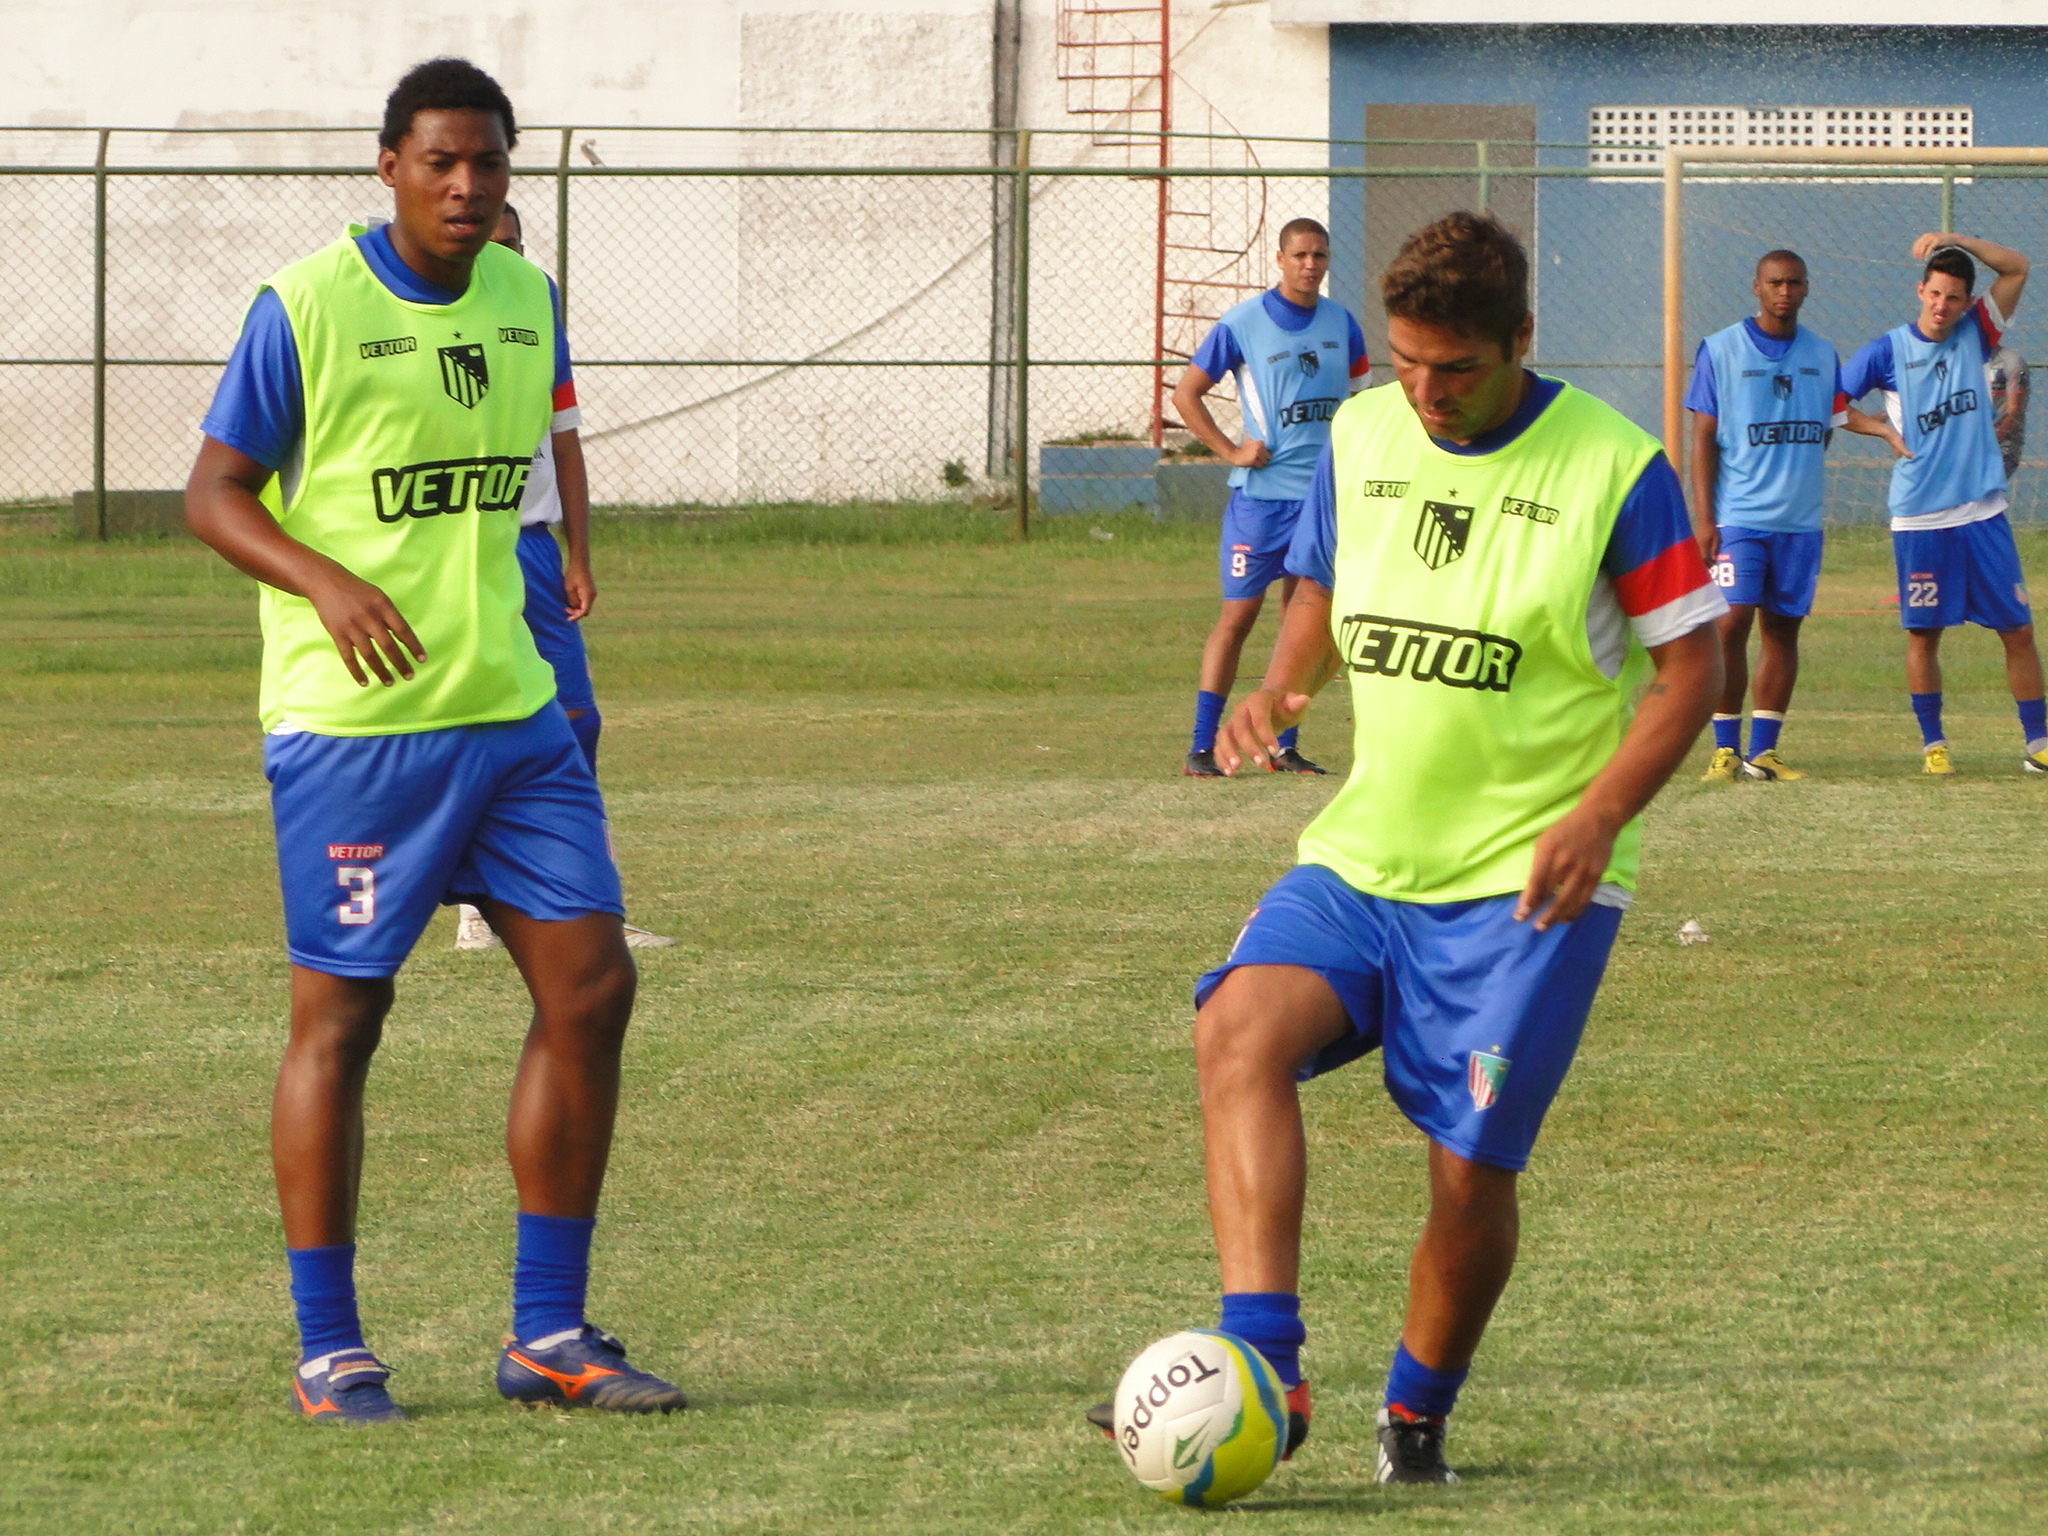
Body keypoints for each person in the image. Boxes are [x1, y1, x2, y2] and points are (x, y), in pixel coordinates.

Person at [1091, 212, 1722, 1482]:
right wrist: (1280, 688)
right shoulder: (1362, 432)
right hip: (1367, 856)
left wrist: (1598, 816)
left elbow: (1692, 673)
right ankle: (1261, 1368)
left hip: (1525, 886)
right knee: (1235, 1031)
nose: (1426, 394)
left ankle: (1414, 1416)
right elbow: (1319, 588)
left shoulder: (1613, 467)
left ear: (1520, 343)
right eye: (1405, 363)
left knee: (1463, 1174)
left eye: (1457, 369)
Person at [185, 57, 685, 1422]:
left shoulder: (531, 300)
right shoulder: (306, 306)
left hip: (512, 717)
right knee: (343, 1021)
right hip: (358, 736)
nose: (468, 187)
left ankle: (547, 1335)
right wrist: (325, 580)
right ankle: (331, 1347)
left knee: (591, 988)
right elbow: (215, 493)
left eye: (490, 165)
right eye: (442, 162)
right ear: (391, 165)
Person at [451, 204, 672, 953]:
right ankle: (478, 907)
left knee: (577, 720)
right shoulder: (430, 317)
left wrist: (578, 553)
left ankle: (590, 908)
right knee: (475, 724)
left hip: (535, 551)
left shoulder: (535, 302)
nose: (504, 255)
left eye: (515, 243)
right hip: (457, 547)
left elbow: (566, 440)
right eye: (492, 244)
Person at [1840, 234, 2048, 774]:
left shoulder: (1976, 334)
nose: (1941, 306)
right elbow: (1832, 402)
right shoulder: (1887, 351)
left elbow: (2018, 266)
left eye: (1953, 297)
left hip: (1981, 512)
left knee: (2018, 630)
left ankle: (2038, 744)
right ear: (1920, 291)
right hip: (1920, 518)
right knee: (1924, 634)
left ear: (1965, 302)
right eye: (1934, 294)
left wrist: (1956, 241)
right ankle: (1934, 745)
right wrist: (1880, 431)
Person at [1170, 218, 1369, 777]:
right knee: (1238, 618)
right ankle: (1202, 747)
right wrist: (1231, 450)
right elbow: (1187, 394)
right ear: (1280, 260)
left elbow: (1361, 403)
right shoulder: (1241, 324)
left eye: (1320, 255)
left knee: (1302, 621)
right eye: (1301, 254)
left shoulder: (1342, 325)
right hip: (1261, 502)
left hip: (1321, 502)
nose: (1311, 264)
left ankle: (1284, 744)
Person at [1687, 250, 1858, 782]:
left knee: (1783, 631)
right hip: (1738, 517)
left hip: (1799, 521)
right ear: (1756, 287)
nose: (1785, 292)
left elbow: (1827, 426)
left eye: (1795, 283)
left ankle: (1764, 752)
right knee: (1729, 624)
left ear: (1807, 289)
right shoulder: (1720, 349)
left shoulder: (1823, 354)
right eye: (1775, 282)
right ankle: (1723, 747)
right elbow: (1702, 440)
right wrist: (1704, 516)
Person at [1987, 341, 2029, 481]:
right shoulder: (1959, 360)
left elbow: (2014, 412)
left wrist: (1988, 443)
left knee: (1979, 497)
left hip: (2000, 449)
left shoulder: (2011, 362)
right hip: (1962, 449)